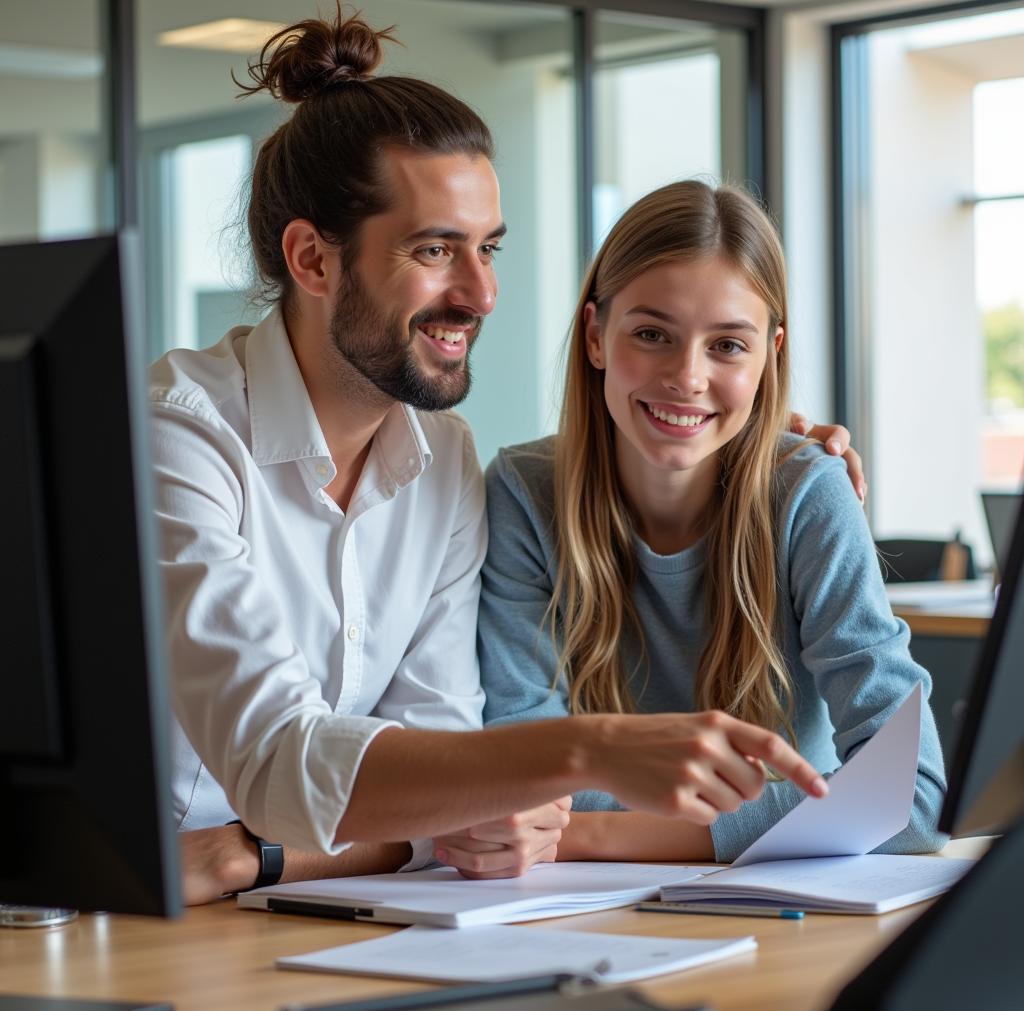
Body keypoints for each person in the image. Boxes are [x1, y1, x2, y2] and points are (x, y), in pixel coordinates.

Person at [152, 9, 850, 905]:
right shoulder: (179, 439)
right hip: (121, 924)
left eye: (487, 250)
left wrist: (252, 856)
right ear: (312, 260)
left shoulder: (442, 459)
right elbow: (287, 764)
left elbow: (457, 809)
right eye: (435, 250)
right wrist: (582, 751)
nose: (480, 294)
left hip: (293, 911)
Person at [480, 180, 946, 866]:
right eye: (651, 334)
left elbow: (910, 799)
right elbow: (520, 773)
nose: (686, 376)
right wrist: (786, 818)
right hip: (571, 909)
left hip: (788, 902)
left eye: (728, 346)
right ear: (595, 335)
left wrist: (589, 833)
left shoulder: (808, 493)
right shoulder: (523, 494)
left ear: (769, 355)